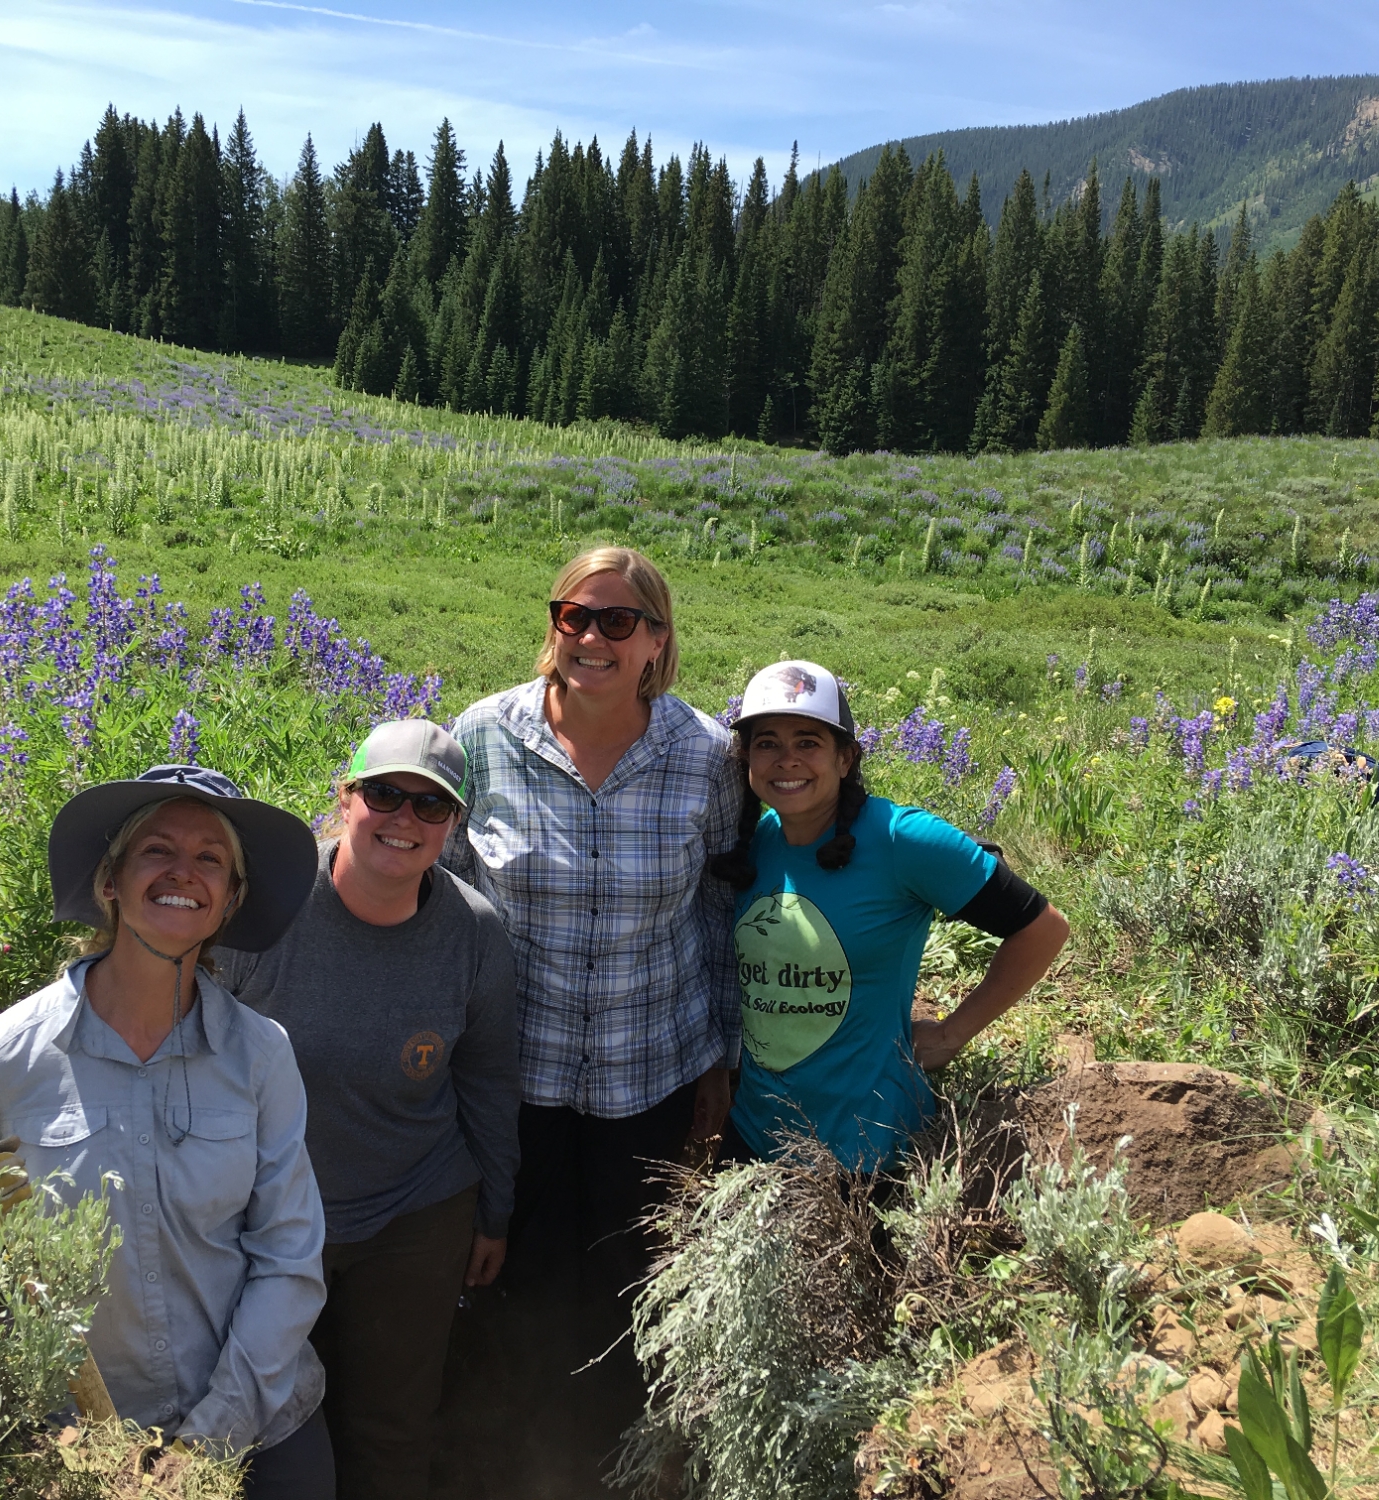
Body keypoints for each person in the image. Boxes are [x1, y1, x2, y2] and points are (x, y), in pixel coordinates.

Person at [0, 764, 333, 1500]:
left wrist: (207, 1444)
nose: (185, 871)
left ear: (229, 901)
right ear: (110, 882)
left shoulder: (260, 1055)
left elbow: (288, 1260)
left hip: (258, 1431)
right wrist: (65, 1441)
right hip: (77, 1449)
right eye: (158, 851)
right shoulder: (2, 1060)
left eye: (211, 859)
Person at [442, 545, 741, 1491]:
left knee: (625, 1282)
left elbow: (723, 909)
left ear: (658, 640)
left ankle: (606, 1462)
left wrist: (720, 1059)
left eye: (620, 622)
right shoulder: (485, 736)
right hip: (511, 1074)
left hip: (645, 1069)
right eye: (576, 616)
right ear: (554, 627)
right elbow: (437, 895)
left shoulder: (706, 754)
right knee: (506, 1276)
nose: (594, 638)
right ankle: (504, 1462)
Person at [213, 720, 519, 1500]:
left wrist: (495, 1211)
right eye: (384, 794)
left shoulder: (475, 934)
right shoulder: (265, 913)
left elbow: (486, 1080)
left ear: (454, 825)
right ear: (343, 797)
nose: (403, 821)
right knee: (262, 1414)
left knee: (393, 1423)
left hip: (413, 1212)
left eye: (431, 806)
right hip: (271, 1214)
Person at [715, 661, 1070, 1171]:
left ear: (846, 758)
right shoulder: (758, 840)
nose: (786, 760)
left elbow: (1042, 929)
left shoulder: (903, 839)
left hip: (867, 1150)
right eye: (767, 743)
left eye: (809, 743)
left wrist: (952, 1033)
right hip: (755, 1134)